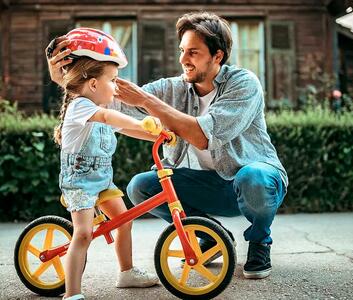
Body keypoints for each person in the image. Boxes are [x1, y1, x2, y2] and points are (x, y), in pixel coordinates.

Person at [47, 12, 288, 280]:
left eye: (193, 52)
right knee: (141, 187)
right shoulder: (171, 88)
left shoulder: (244, 84)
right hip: (205, 184)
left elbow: (202, 135)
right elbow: (102, 101)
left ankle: (260, 241)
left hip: (248, 183)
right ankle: (208, 233)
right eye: (182, 50)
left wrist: (148, 102)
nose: (183, 60)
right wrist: (68, 81)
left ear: (217, 56)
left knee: (253, 177)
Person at [48, 28, 159, 300]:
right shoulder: (81, 106)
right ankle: (72, 293)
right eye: (113, 79)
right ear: (94, 84)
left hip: (102, 182)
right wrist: (140, 120)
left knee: (123, 221)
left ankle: (126, 272)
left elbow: (126, 129)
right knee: (83, 234)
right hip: (80, 185)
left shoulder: (99, 107)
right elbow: (110, 119)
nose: (117, 85)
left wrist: (158, 134)